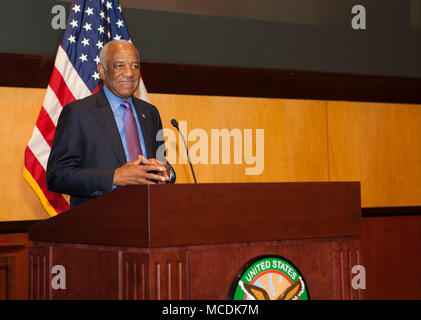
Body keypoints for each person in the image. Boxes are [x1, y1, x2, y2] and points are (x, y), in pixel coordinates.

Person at [46, 40, 175, 208]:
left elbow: (160, 162)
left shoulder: (150, 113)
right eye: (119, 66)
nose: (129, 73)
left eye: (135, 66)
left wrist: (167, 173)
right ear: (102, 71)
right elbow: (57, 176)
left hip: (147, 217)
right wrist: (114, 177)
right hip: (99, 222)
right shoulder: (78, 113)